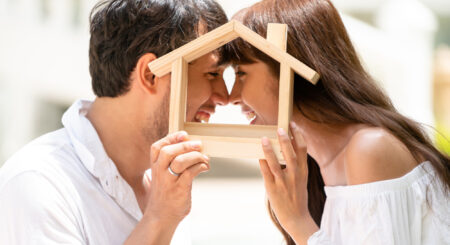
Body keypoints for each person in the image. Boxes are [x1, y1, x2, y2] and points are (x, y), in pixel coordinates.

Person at [0, 0, 229, 244]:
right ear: (150, 75)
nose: (225, 96)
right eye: (212, 74)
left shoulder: (163, 182)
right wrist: (160, 219)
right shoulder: (39, 183)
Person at [223, 0, 450, 244]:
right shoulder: (316, 167)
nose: (231, 97)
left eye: (240, 73)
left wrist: (298, 223)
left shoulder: (369, 149)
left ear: (292, 70)